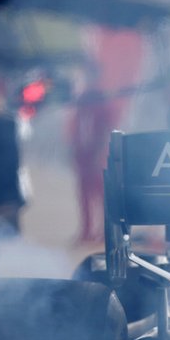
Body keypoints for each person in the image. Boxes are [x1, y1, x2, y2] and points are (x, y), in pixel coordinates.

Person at [68, 61, 118, 244]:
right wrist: (74, 146)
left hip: (96, 151)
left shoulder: (101, 98)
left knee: (100, 193)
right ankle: (87, 231)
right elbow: (76, 125)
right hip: (82, 151)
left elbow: (107, 128)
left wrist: (100, 151)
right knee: (83, 191)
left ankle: (105, 232)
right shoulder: (81, 98)